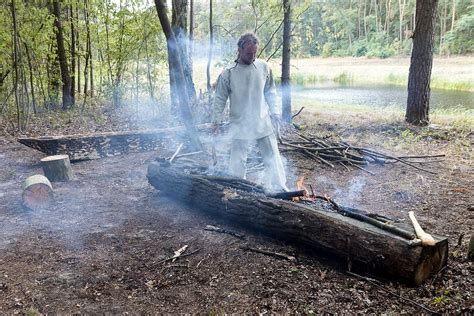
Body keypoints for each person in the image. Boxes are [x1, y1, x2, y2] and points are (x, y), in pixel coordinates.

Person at [212, 33, 288, 192]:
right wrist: (216, 122)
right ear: (239, 49)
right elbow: (220, 98)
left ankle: (280, 188)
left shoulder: (263, 67)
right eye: (249, 53)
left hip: (262, 121)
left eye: (255, 53)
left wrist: (275, 112)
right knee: (237, 162)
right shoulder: (229, 73)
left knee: (273, 158)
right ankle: (237, 190)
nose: (252, 56)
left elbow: (270, 92)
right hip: (240, 124)